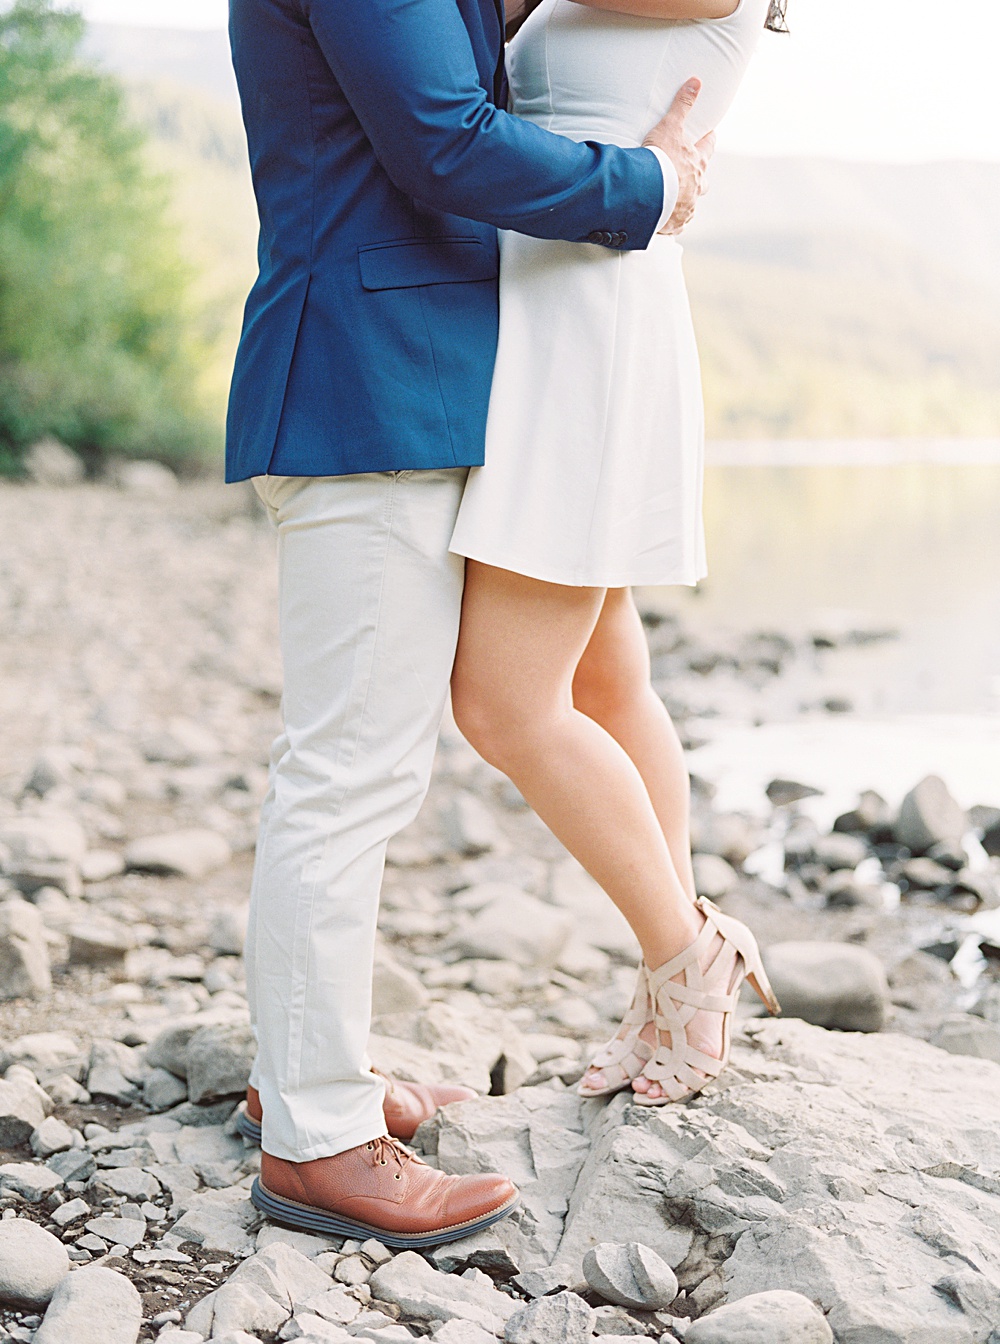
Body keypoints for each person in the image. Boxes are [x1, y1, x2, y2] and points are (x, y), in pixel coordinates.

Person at [226, 0, 715, 1246]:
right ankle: (318, 1143)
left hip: (419, 381)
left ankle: (309, 1081)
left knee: (362, 772)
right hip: (366, 383)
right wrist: (648, 181)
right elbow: (441, 141)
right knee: (349, 774)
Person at [449, 0, 787, 1108]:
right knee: (604, 674)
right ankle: (668, 978)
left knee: (504, 702)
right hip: (558, 308)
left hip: (586, 321)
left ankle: (686, 953)